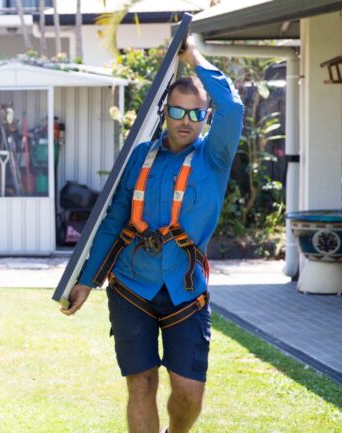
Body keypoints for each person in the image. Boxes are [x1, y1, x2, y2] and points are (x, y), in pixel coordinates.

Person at [61, 37, 244, 433]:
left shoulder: (214, 157)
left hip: (185, 291)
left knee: (189, 392)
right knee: (140, 384)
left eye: (195, 114)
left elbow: (232, 106)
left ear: (205, 117)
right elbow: (112, 221)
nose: (185, 120)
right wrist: (86, 281)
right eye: (177, 111)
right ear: (164, 111)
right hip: (131, 286)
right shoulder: (140, 156)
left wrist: (192, 57)